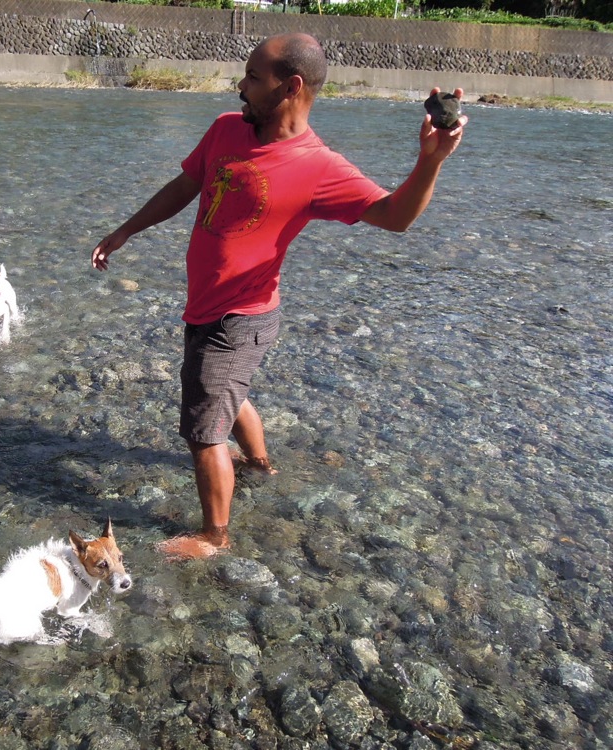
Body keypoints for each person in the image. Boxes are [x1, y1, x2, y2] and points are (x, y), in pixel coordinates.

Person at [90, 33, 467, 560]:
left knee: (202, 431)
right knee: (225, 394)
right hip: (208, 306)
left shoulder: (319, 167)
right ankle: (261, 465)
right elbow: (185, 187)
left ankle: (213, 537)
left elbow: (396, 217)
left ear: (291, 86)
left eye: (252, 78)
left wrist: (431, 161)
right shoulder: (226, 128)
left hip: (240, 315)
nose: (240, 86)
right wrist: (126, 230)